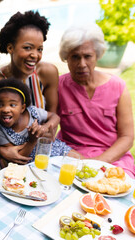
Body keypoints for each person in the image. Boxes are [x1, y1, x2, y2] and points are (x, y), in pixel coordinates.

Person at [57, 24, 135, 178]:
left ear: (97, 55)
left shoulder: (117, 86)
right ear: (66, 57)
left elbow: (127, 137)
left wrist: (98, 162)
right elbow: (46, 130)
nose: (82, 64)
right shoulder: (58, 86)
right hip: (71, 156)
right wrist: (76, 158)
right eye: (75, 57)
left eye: (87, 56)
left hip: (112, 157)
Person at [0, 11, 60, 163]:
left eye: (39, 49)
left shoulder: (47, 73)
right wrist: (3, 150)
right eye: (28, 48)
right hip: (10, 154)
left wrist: (46, 133)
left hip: (42, 151)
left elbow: (52, 115)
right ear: (10, 48)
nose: (35, 55)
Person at [0, 78, 78, 168]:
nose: (5, 110)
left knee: (81, 162)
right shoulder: (1, 133)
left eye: (12, 105)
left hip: (55, 148)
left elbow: (55, 117)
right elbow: (19, 159)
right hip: (33, 163)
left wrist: (45, 127)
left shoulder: (33, 113)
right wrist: (32, 141)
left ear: (22, 108)